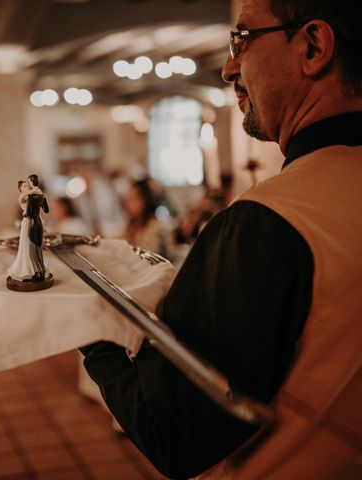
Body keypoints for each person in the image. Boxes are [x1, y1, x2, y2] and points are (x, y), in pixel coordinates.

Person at [80, 1, 362, 478]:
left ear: (313, 46)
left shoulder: (268, 222)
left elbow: (173, 432)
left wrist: (90, 325)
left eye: (243, 39)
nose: (230, 67)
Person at [123, 178, 172, 258]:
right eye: (127, 199)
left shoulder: (156, 229)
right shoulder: (131, 226)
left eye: (133, 199)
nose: (128, 204)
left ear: (144, 200)